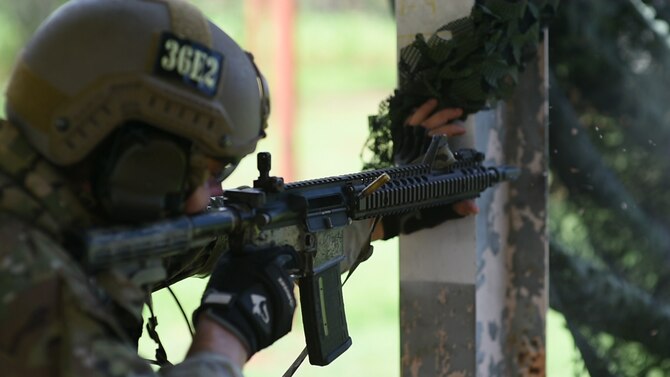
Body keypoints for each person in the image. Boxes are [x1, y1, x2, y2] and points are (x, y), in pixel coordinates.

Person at [0, 1, 471, 376]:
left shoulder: (54, 211)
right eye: (200, 170)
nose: (207, 197)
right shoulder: (28, 283)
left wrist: (397, 200)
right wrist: (227, 333)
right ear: (130, 157)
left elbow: (228, 238)